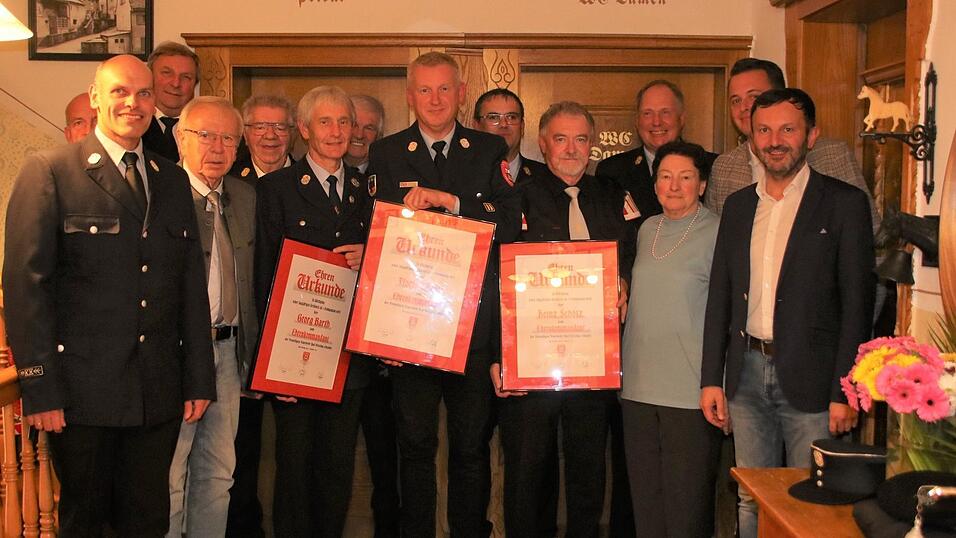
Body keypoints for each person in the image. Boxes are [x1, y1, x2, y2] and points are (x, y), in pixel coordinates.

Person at [2, 54, 215, 537]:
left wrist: (198, 378)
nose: (132, 103)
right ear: (96, 97)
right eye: (120, 91)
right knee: (86, 522)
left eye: (143, 93)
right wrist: (40, 387)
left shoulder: (170, 178)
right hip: (82, 394)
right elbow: (27, 288)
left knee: (148, 521)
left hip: (156, 391)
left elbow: (188, 286)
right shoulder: (52, 171)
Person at [700, 88, 875, 538]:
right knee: (750, 496)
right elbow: (721, 296)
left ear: (811, 135)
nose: (774, 141)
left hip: (815, 381)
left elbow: (857, 304)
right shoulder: (738, 206)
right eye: (764, 130)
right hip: (745, 376)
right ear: (752, 139)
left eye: (787, 129)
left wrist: (846, 389)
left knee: (811, 499)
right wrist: (711, 379)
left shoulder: (843, 204)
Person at [366, 51, 521, 537]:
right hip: (409, 329)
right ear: (410, 96)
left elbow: (508, 222)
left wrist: (450, 202)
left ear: (461, 93)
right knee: (413, 447)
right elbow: (376, 240)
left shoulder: (488, 148)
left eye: (444, 89)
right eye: (425, 90)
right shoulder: (387, 152)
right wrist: (379, 328)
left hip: (472, 331)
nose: (435, 100)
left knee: (470, 449)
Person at [491, 101, 635, 538]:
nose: (571, 149)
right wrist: (498, 356)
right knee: (527, 471)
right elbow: (493, 279)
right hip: (530, 361)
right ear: (542, 144)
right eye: (560, 139)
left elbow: (637, 255)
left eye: (580, 139)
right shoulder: (518, 197)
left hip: (594, 361)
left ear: (592, 145)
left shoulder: (613, 196)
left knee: (588, 472)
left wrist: (626, 279)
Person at [255, 85, 373, 538]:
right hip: (295, 355)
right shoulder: (276, 189)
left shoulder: (367, 189)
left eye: (344, 121)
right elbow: (263, 275)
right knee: (294, 467)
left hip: (348, 355)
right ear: (304, 129)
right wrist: (271, 367)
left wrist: (371, 255)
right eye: (325, 122)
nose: (337, 131)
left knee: (336, 468)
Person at [621, 141, 721, 538]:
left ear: (702, 184)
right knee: (646, 507)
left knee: (687, 510)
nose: (674, 186)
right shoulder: (647, 228)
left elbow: (728, 313)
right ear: (655, 182)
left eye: (685, 177)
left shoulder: (719, 231)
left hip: (690, 392)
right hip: (637, 389)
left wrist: (719, 381)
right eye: (665, 176)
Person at [166, 96, 257, 537]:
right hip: (177, 354)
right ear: (179, 138)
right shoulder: (160, 194)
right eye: (205, 135)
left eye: (228, 138)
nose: (217, 148)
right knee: (170, 475)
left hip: (228, 352)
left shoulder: (244, 196)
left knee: (219, 473)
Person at [704, 57, 878, 232]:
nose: (744, 107)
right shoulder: (724, 167)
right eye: (736, 100)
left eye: (754, 97)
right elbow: (715, 238)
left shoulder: (832, 155)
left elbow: (869, 229)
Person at [343, 92, 403, 538]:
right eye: (353, 124)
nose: (360, 134)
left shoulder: (393, 175)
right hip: (332, 343)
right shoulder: (326, 181)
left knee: (389, 459)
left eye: (370, 127)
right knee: (334, 458)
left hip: (386, 350)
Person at [473, 88, 543, 186]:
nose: (504, 124)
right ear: (477, 126)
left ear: (522, 127)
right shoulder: (459, 174)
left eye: (511, 117)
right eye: (493, 117)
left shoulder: (545, 178)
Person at [142, 41, 199, 162]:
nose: (176, 83)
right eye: (167, 73)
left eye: (186, 77)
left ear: (195, 84)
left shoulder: (206, 130)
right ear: (149, 77)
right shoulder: (134, 126)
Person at [230, 94, 297, 186]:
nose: (270, 136)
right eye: (260, 127)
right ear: (245, 134)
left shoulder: (308, 180)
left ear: (292, 134)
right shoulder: (229, 181)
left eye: (280, 128)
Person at [345, 94, 385, 174]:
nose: (359, 135)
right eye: (354, 125)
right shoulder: (324, 171)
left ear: (378, 135)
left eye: (368, 128)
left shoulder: (388, 174)